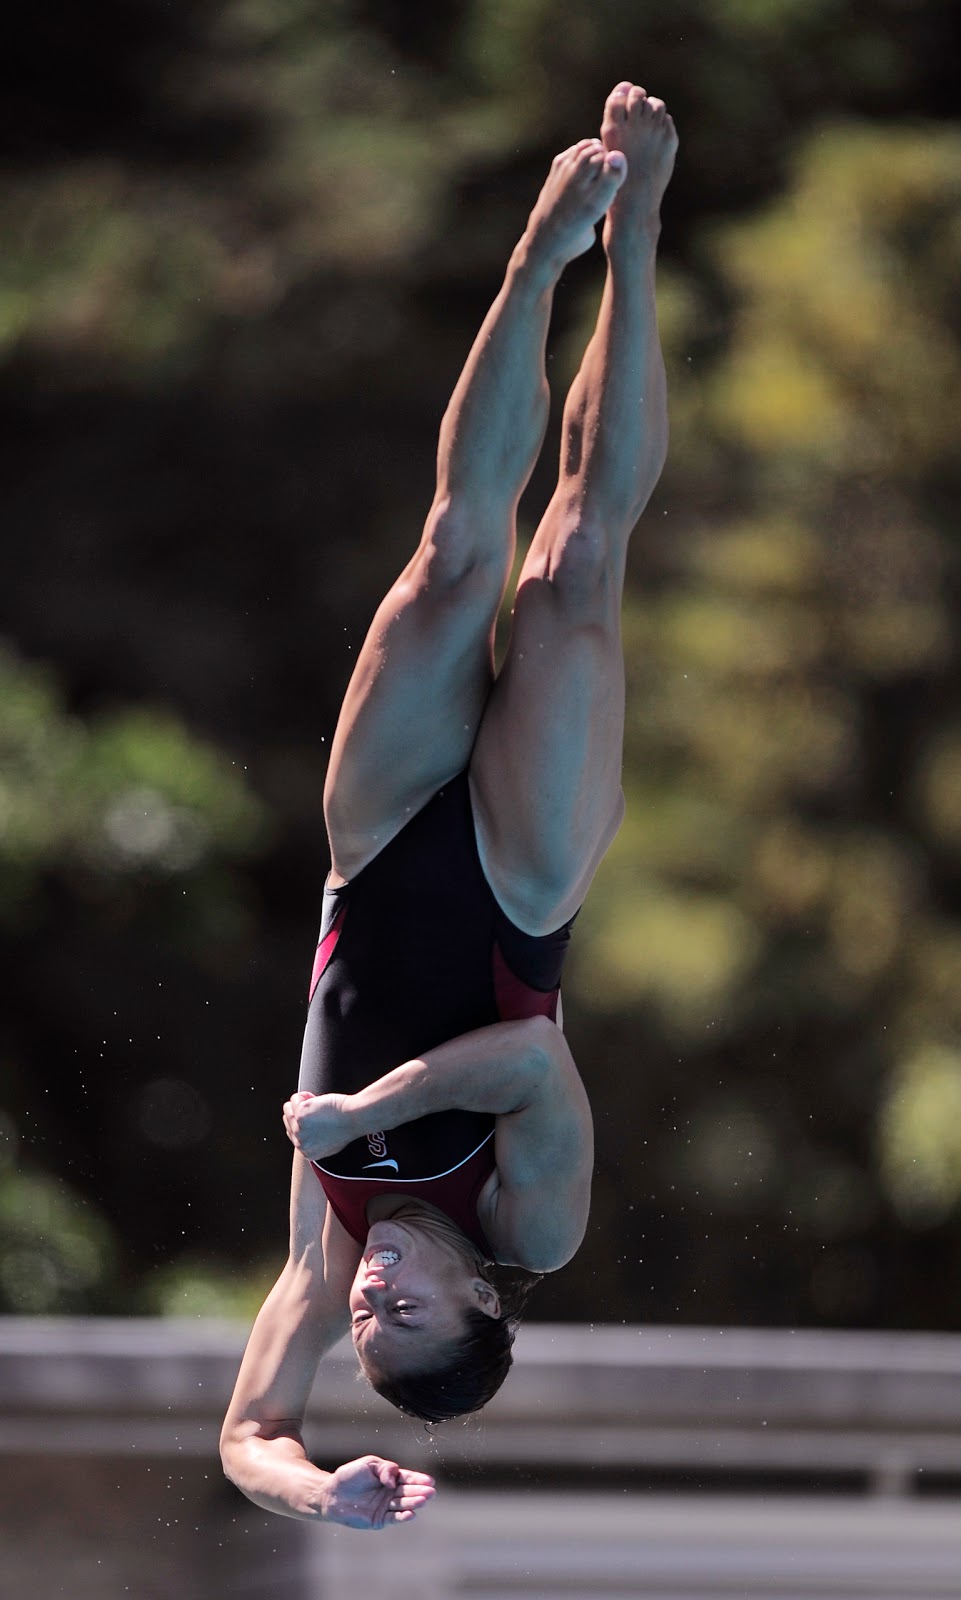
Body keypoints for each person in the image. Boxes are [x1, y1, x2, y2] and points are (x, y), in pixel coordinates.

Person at [220, 81, 677, 1529]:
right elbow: (533, 1073)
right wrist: (372, 1106)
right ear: (482, 1292)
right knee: (568, 564)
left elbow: (245, 1433)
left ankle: (534, 262)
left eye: (368, 1325)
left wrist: (313, 1493)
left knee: (442, 559)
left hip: (375, 854)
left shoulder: (322, 1236)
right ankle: (640, 234)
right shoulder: (532, 1223)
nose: (374, 1293)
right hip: (517, 882)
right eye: (410, 1311)